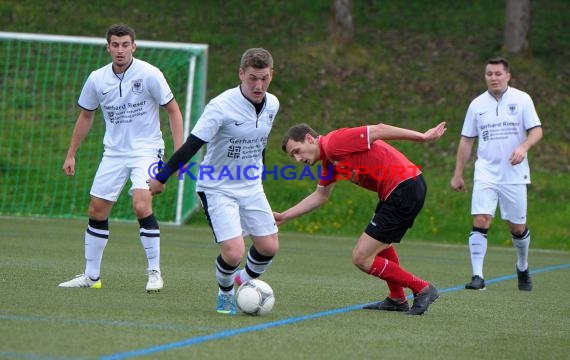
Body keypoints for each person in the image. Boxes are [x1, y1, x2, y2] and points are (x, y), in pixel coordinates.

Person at [148, 48, 279, 315]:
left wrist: (260, 174)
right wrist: (162, 177)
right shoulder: (220, 107)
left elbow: (259, 142)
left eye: (264, 78)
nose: (258, 85)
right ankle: (226, 292)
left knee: (269, 247)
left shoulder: (273, 104)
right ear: (241, 74)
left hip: (251, 185)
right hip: (217, 186)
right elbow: (192, 145)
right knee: (233, 253)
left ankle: (243, 282)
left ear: (271, 75)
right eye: (253, 78)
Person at [58, 24, 184, 292]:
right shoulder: (96, 79)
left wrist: (180, 154)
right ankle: (92, 277)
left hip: (147, 149)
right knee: (97, 209)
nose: (120, 50)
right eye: (115, 45)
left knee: (141, 204)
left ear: (133, 46)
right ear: (108, 47)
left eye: (125, 44)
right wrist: (71, 153)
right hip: (114, 152)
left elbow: (173, 111)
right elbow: (86, 115)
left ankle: (154, 272)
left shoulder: (150, 74)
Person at [274, 121, 447, 315]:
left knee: (361, 257)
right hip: (398, 189)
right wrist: (284, 216)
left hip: (404, 187)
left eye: (297, 151)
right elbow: (320, 196)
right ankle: (397, 299)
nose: (298, 159)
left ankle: (423, 288)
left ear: (309, 138)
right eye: (293, 156)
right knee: (381, 245)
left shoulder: (333, 143)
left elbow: (378, 130)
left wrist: (422, 137)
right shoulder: (329, 160)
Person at [450, 57, 542, 291]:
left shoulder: (522, 100)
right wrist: (458, 173)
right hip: (486, 173)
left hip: (514, 174)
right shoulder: (477, 105)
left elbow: (537, 131)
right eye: (489, 74)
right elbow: (466, 140)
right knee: (481, 218)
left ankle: (522, 265)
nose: (493, 78)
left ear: (508, 76)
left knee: (517, 228)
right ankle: (477, 277)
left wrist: (523, 148)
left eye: (498, 73)